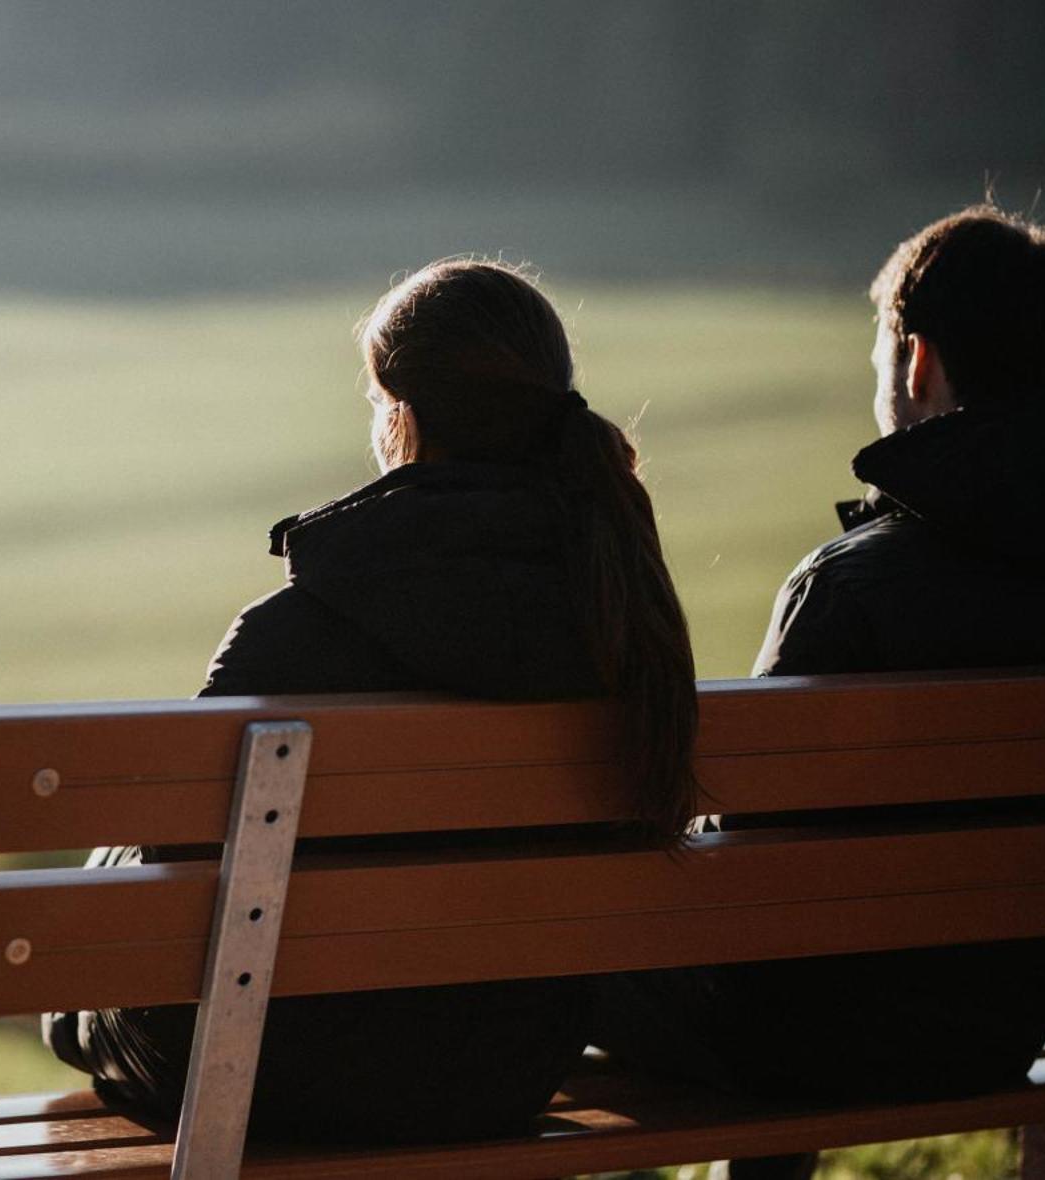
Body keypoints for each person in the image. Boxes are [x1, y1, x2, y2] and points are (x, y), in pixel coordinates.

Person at [591, 206, 1045, 1177]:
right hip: (1000, 1025)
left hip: (788, 1040)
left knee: (543, 937)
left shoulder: (851, 586)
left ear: (914, 363)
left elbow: (748, 886)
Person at [42, 258, 702, 1144]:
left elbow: (175, 873)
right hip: (507, 1066)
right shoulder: (627, 621)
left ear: (403, 414)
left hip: (261, 1069)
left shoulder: (293, 631)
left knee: (78, 985)